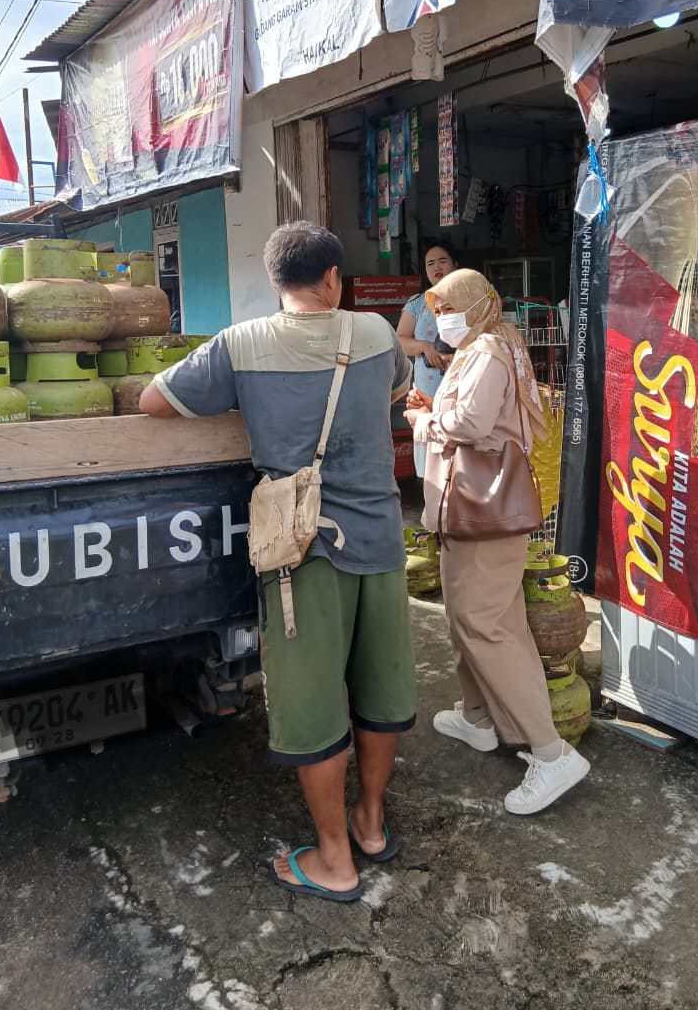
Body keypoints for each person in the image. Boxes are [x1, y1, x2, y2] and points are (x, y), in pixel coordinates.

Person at [140, 222, 416, 904]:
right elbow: (394, 390)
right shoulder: (377, 335)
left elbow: (153, 401)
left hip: (301, 552)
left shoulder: (242, 345)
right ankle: (372, 827)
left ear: (277, 284)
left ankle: (333, 861)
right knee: (382, 691)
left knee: (311, 704)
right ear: (332, 280)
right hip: (381, 541)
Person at [404, 268, 590, 815]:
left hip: (484, 513)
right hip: (472, 511)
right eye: (436, 311)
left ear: (479, 305)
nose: (442, 320)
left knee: (486, 625)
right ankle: (477, 716)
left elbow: (469, 423)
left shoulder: (486, 349)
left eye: (449, 308)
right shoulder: (491, 342)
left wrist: (423, 419)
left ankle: (552, 755)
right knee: (472, 617)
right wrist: (434, 411)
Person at [396, 240, 458, 478]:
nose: (436, 267)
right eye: (430, 263)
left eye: (443, 261)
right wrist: (424, 346)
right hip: (426, 391)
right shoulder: (416, 303)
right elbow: (400, 341)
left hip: (458, 391)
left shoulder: (469, 300)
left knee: (457, 457)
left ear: (455, 264)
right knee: (430, 468)